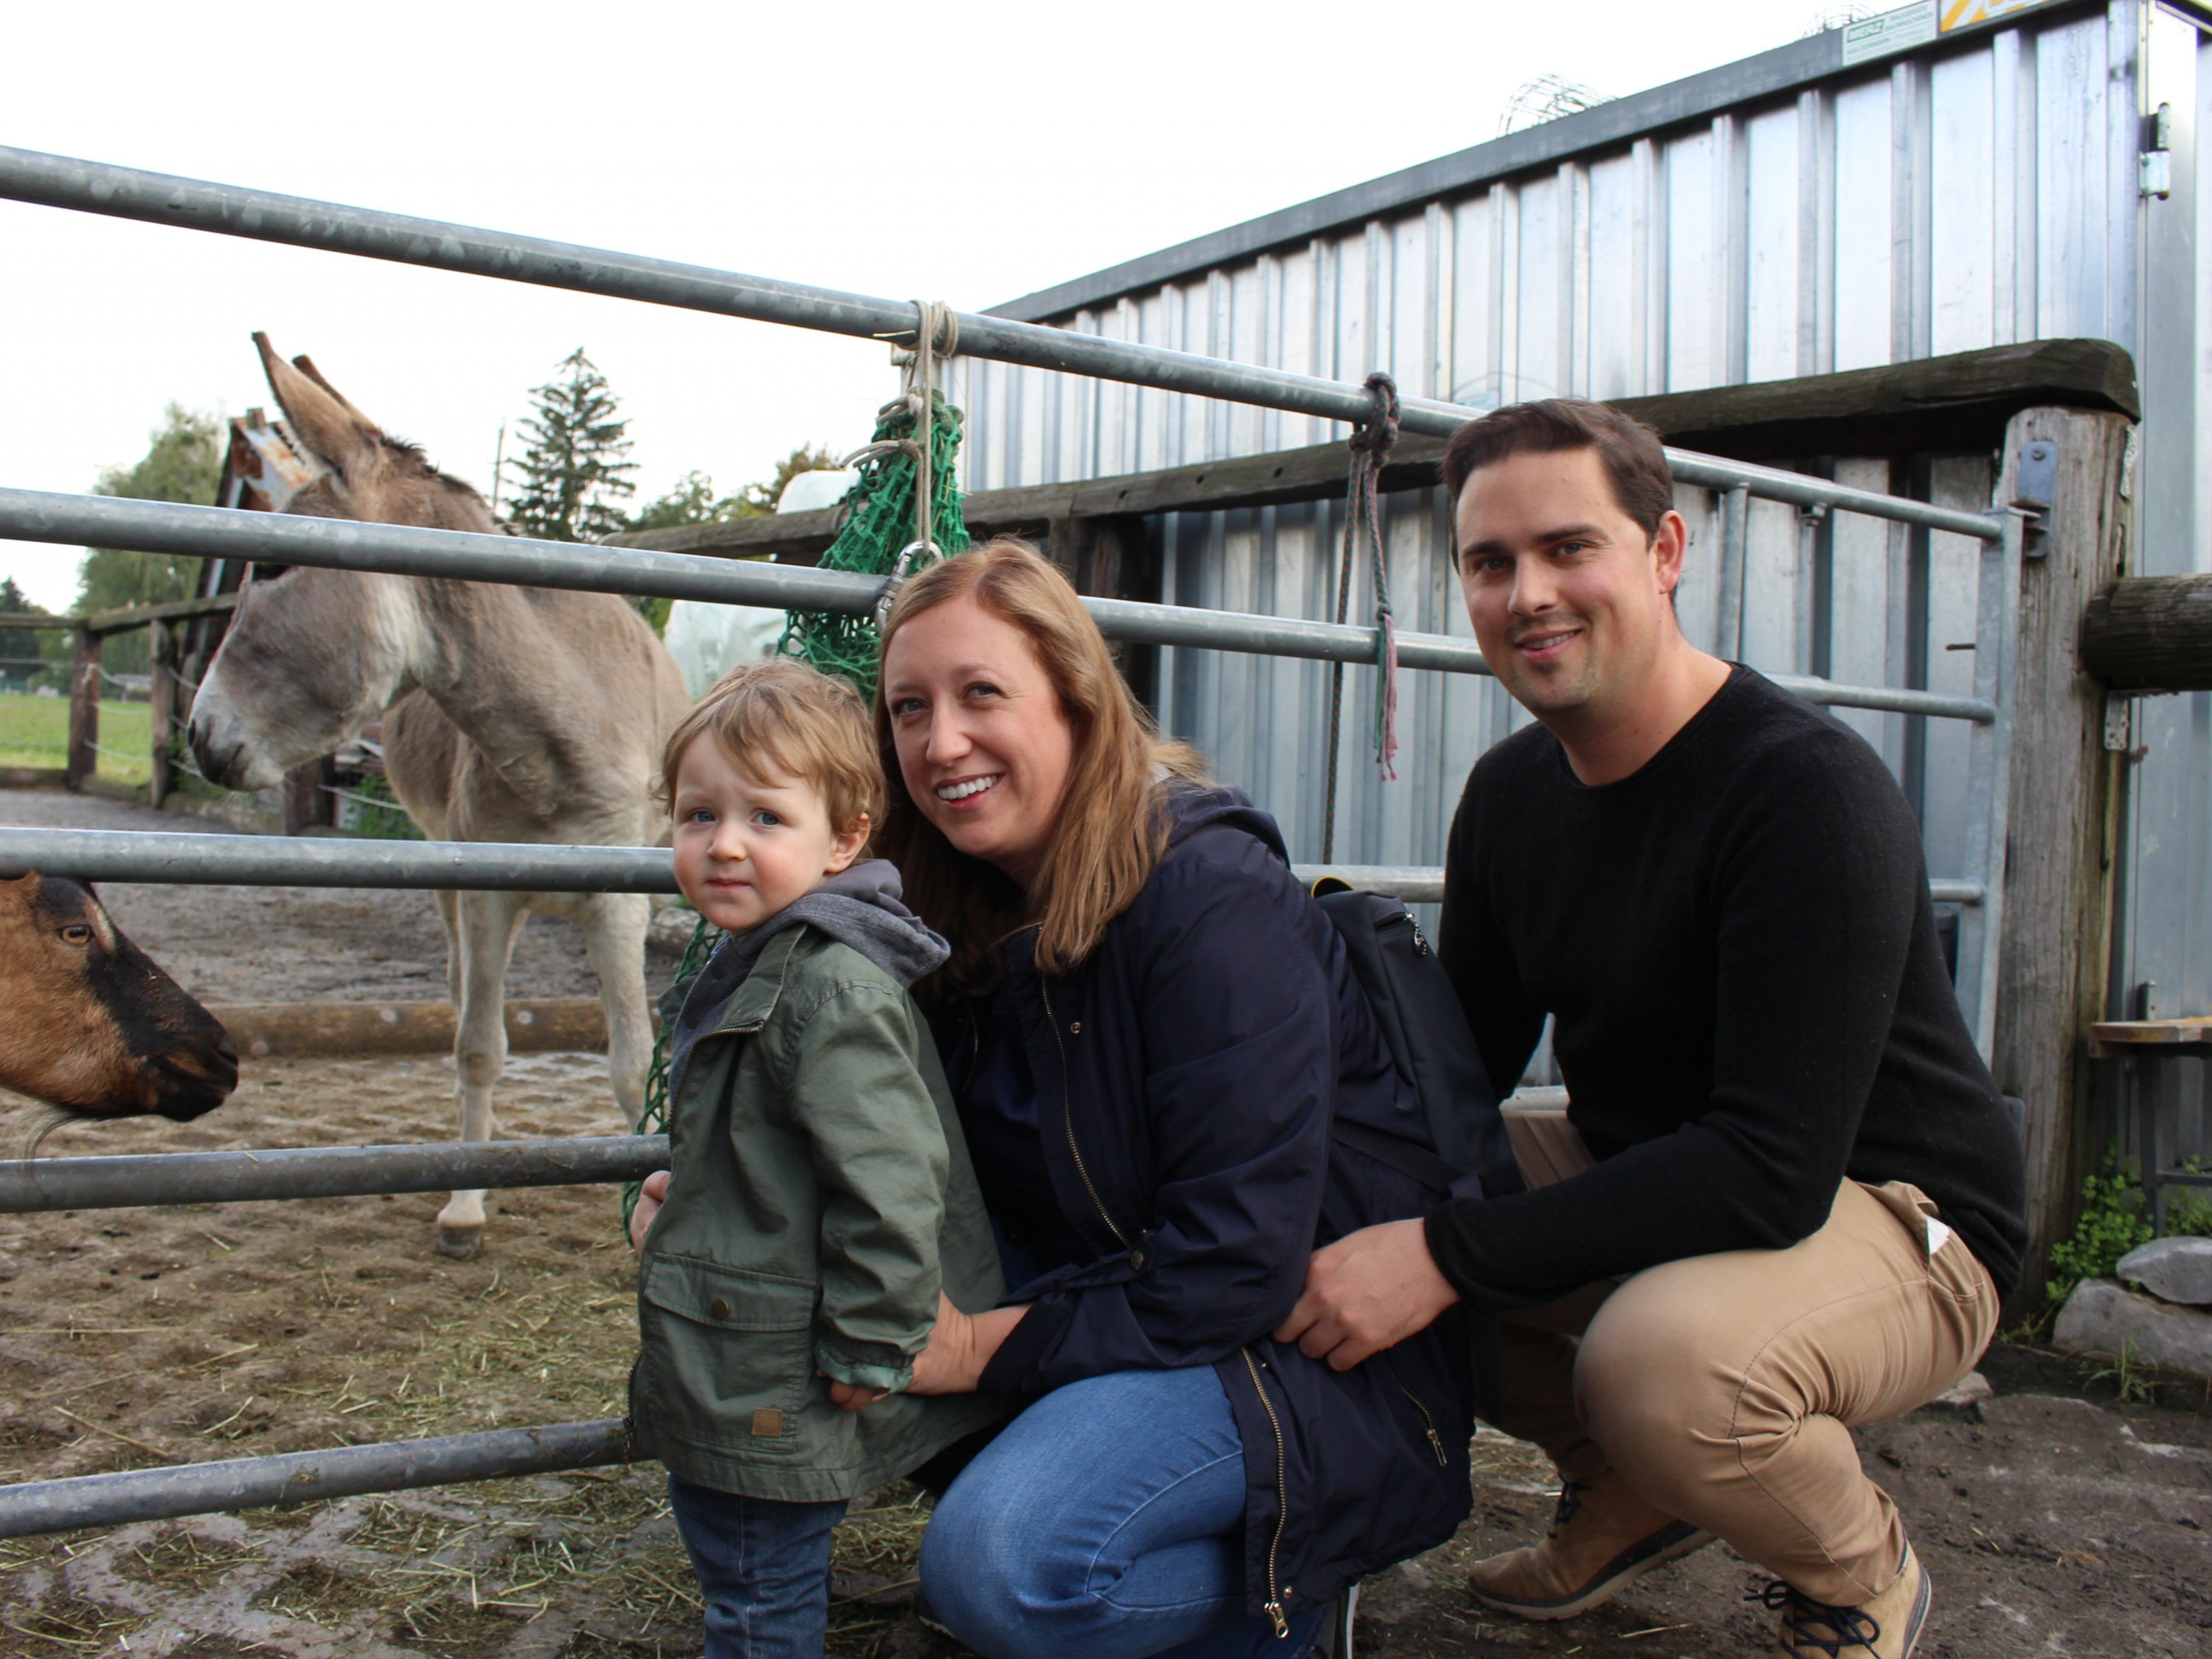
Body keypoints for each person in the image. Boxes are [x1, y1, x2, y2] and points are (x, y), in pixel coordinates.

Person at [1276, 400, 2027, 1659]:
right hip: (1668, 1161)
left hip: (1899, 1210)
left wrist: (1448, 1252)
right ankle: (1625, 1491)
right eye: (1490, 562)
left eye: (1569, 547)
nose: (1528, 594)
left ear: (1664, 551)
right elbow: (1453, 1077)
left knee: (1660, 1367)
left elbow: (1772, 1168)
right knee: (1348, 1202)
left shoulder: (1803, 791)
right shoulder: (1512, 794)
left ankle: (1856, 1568)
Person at [872, 539, 1475, 1659]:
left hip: (1300, 1350)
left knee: (997, 1566)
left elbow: (1235, 1261)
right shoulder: (955, 904)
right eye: (910, 707)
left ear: (1077, 701)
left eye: (980, 694)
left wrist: (974, 1351)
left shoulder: (1207, 897)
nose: (940, 741)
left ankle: (1286, 1588)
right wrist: (737, 1194)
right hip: (1119, 1303)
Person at [625, 660, 1007, 1659]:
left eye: (765, 817)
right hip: (752, 1343)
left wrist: (876, 1340)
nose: (724, 844)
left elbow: (893, 1181)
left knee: (758, 1592)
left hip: (783, 1369)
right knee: (745, 1568)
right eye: (698, 815)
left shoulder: (831, 991)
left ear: (843, 840)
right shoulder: (761, 959)